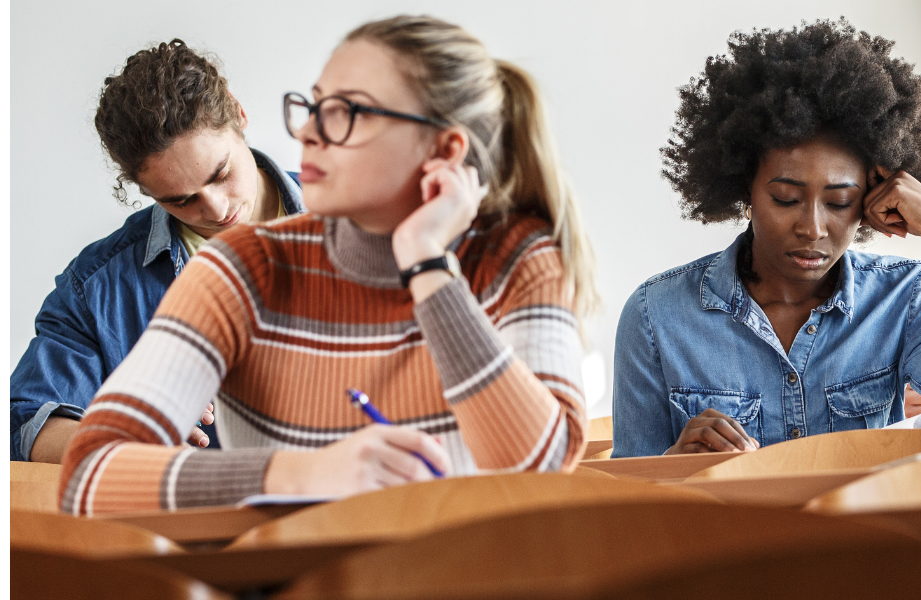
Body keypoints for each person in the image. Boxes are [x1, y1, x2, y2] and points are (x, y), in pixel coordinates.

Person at [58, 15, 594, 515]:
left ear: (444, 146)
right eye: (315, 106)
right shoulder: (239, 268)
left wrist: (428, 267)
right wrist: (299, 474)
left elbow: (539, 467)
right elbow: (88, 476)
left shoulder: (520, 254)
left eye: (349, 112)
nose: (310, 131)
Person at [612, 19, 921, 458]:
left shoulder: (903, 298)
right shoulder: (656, 316)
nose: (812, 227)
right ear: (744, 191)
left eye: (840, 202)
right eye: (786, 199)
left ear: (871, 198)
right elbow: (630, 500)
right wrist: (675, 465)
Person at [11, 40, 305, 463]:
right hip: (201, 524)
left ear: (238, 114)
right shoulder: (95, 287)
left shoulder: (366, 216)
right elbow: (25, 425)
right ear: (142, 189)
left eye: (221, 173)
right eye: (180, 200)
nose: (217, 209)